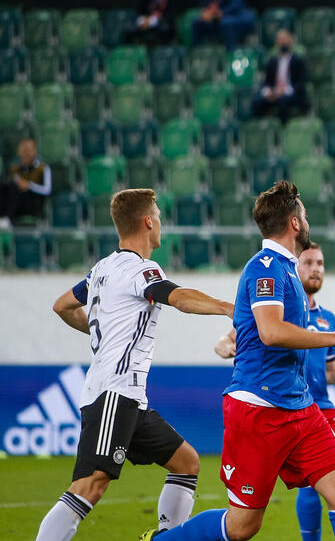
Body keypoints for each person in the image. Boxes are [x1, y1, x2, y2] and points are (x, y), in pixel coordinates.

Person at [144, 182, 335, 541]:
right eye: (304, 213)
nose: (307, 219)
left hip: (300, 407)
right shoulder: (265, 267)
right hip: (259, 410)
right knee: (243, 527)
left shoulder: (286, 268)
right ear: (295, 223)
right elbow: (270, 331)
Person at [35, 189, 234, 541]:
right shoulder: (142, 270)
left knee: (186, 463)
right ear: (147, 222)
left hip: (128, 398)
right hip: (114, 394)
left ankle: (168, 538)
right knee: (90, 485)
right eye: (158, 215)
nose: (160, 222)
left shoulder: (102, 269)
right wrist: (227, 307)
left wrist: (100, 329)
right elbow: (180, 299)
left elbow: (62, 305)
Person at [213, 243, 335, 537]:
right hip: (276, 404)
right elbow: (225, 342)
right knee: (254, 518)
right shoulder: (273, 307)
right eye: (309, 263)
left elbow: (329, 373)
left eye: (320, 263)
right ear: (295, 267)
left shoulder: (327, 320)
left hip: (318, 405)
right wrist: (228, 347)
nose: (315, 268)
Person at [251, 30, 309, 124]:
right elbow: (267, 82)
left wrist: (284, 90)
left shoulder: (298, 61)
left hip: (293, 94)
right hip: (275, 93)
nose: (283, 42)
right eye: (280, 40)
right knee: (256, 101)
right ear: (276, 43)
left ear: (291, 41)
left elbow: (301, 84)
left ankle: (283, 128)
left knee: (283, 101)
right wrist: (268, 92)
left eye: (285, 39)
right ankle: (263, 128)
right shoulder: (272, 62)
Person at [0, 138, 51, 227]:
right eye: (23, 150)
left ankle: (7, 219)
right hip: (17, 204)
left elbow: (47, 190)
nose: (26, 153)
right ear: (19, 152)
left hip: (34, 204)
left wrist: (29, 186)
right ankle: (3, 218)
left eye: (28, 150)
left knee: (13, 188)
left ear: (35, 152)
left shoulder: (43, 168)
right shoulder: (14, 169)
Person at [191, 0, 255, 50]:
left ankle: (230, 53)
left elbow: (235, 7)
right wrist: (206, 12)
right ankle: (195, 54)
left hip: (237, 17)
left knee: (226, 23)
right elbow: (205, 5)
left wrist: (220, 13)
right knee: (197, 22)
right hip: (217, 19)